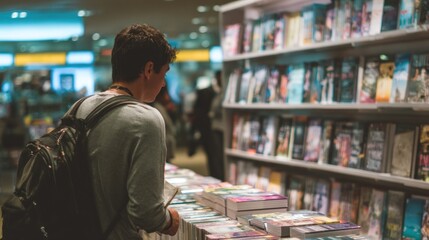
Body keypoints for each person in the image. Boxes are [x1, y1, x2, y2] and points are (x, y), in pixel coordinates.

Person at [73, 24, 179, 239]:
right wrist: (169, 220)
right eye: (164, 72)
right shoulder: (147, 119)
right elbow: (145, 213)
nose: (163, 84)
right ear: (149, 69)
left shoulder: (79, 108)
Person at [209, 70, 225, 181]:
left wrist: (212, 113)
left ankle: (221, 177)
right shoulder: (219, 93)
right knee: (217, 157)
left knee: (220, 157)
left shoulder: (223, 94)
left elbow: (218, 110)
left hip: (220, 128)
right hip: (216, 127)